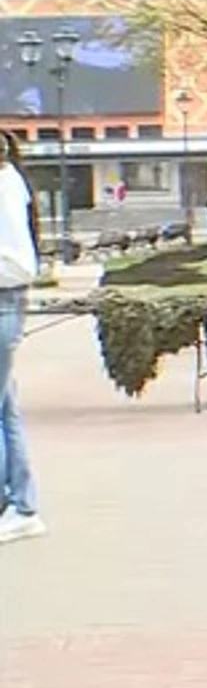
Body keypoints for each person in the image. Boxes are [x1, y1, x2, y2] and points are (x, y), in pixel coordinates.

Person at [0, 133, 44, 545]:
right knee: (5, 407)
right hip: (8, 300)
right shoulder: (12, 181)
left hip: (3, 298)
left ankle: (20, 506)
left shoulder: (5, 187)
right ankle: (20, 505)